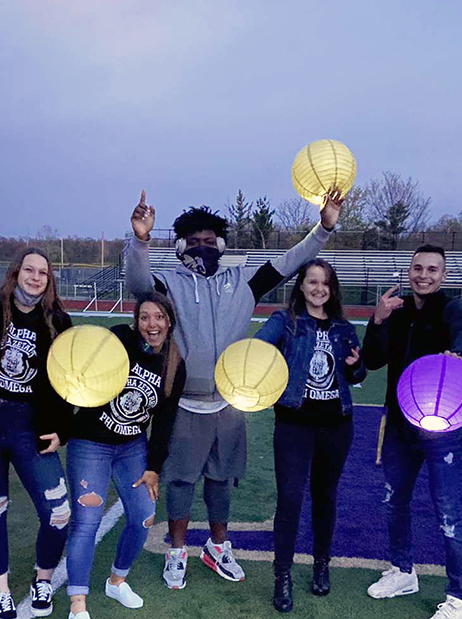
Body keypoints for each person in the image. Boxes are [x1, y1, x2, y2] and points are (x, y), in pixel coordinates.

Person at [124, 189, 344, 590]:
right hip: (186, 402)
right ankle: (177, 550)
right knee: (181, 481)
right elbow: (139, 284)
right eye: (194, 242)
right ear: (179, 246)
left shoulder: (243, 282)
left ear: (222, 246)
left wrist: (324, 228)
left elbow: (292, 260)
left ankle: (217, 546)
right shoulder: (169, 284)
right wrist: (140, 240)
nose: (203, 248)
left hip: (229, 401)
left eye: (210, 242)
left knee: (222, 480)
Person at [361, 245, 462, 619]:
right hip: (399, 423)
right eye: (417, 268)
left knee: (448, 511)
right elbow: (373, 360)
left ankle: (460, 597)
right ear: (408, 270)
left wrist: (459, 353)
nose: (423, 275)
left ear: (442, 275)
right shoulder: (398, 310)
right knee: (395, 501)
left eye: (432, 269)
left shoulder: (452, 308)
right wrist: (377, 320)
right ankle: (402, 570)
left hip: (443, 427)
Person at [0, 247, 73, 619]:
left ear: (49, 279)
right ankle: (1, 591)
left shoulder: (58, 320)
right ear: (16, 273)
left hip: (31, 426)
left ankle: (43, 580)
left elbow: (72, 382)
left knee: (58, 512)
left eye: (43, 272)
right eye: (29, 270)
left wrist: (64, 429)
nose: (35, 277)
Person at [65, 292, 186, 619]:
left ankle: (117, 581)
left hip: (132, 446)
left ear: (169, 321)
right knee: (87, 520)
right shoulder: (119, 338)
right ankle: (78, 605)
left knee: (144, 516)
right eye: (145, 317)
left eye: (159, 317)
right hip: (90, 442)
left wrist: (154, 466)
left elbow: (164, 422)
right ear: (136, 320)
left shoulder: (175, 363)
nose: (152, 324)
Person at [255, 260, 366, 613]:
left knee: (325, 496)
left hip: (336, 424)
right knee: (289, 499)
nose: (319, 288)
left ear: (332, 289)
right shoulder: (284, 321)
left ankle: (321, 564)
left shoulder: (344, 327)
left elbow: (358, 374)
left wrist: (354, 367)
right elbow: (259, 350)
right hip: (294, 423)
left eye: (326, 283)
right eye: (312, 281)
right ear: (300, 285)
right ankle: (282, 574)